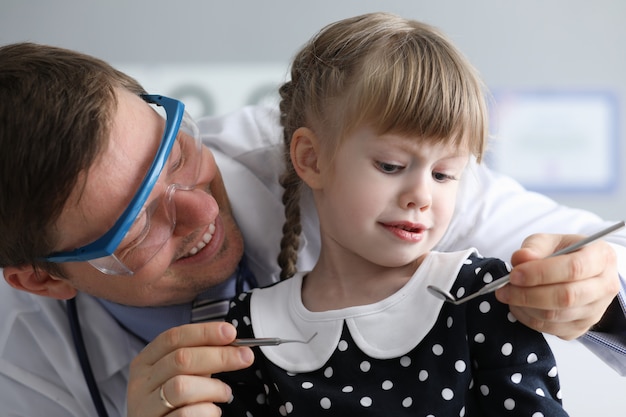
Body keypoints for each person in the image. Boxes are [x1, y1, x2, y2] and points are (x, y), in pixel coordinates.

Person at [0, 39, 623, 417]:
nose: (199, 210)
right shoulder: (25, 369)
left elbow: (607, 257)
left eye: (174, 154)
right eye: (135, 227)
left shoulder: (361, 159)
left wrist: (595, 290)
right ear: (41, 279)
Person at [218, 13, 569, 416]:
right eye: (390, 166)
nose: (421, 195)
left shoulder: (479, 296)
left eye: (443, 174)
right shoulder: (250, 325)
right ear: (311, 159)